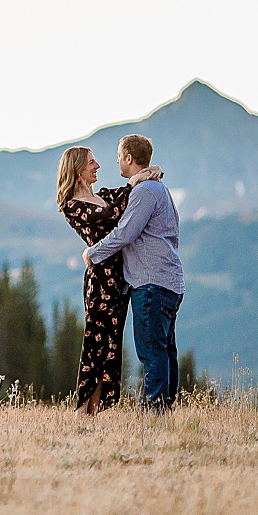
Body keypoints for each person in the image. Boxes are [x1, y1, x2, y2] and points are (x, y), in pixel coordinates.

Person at [84, 134, 186, 410]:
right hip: (168, 282)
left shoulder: (144, 192)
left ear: (129, 158)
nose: (116, 160)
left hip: (151, 283)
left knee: (151, 351)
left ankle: (154, 410)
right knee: (165, 349)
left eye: (119, 156)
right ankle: (164, 407)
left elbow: (125, 233)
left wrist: (93, 253)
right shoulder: (158, 188)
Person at [56, 146, 160, 414]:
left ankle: (94, 409)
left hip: (120, 280)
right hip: (101, 283)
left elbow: (127, 197)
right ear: (78, 170)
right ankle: (82, 410)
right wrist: (138, 180)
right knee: (95, 345)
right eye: (91, 162)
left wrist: (145, 175)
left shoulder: (103, 196)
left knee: (111, 346)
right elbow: (111, 214)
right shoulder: (73, 206)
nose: (98, 166)